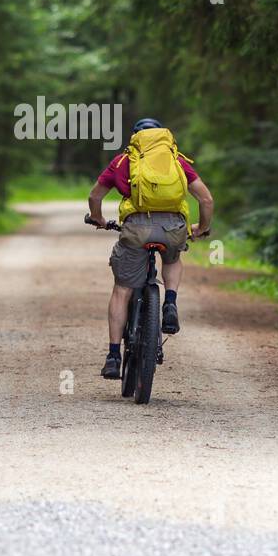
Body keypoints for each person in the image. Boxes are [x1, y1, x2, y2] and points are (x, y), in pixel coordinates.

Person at [86, 117, 214, 379]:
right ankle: (169, 303)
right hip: (173, 229)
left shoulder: (123, 161)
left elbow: (95, 196)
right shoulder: (176, 161)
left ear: (135, 138)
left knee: (122, 290)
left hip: (136, 229)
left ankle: (113, 356)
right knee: (172, 257)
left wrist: (98, 218)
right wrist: (201, 227)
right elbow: (206, 198)